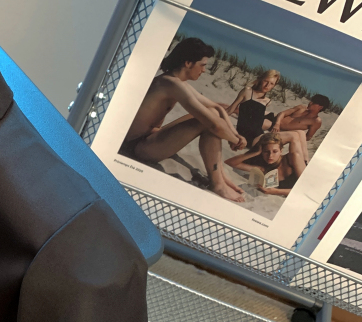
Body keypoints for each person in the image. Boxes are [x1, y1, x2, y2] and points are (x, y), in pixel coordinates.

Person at [120, 37, 247, 203]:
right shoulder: (171, 84)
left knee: (210, 113)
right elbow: (214, 125)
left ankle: (221, 177)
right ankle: (218, 184)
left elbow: (218, 108)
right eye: (202, 65)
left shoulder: (176, 81)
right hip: (136, 147)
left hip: (150, 136)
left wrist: (236, 135)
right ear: (188, 63)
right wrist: (235, 141)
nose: (204, 70)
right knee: (206, 122)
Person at [225, 132, 299, 197]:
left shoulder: (292, 158)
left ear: (281, 151)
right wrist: (255, 153)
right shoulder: (264, 168)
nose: (270, 156)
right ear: (262, 152)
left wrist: (275, 191)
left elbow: (302, 190)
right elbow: (230, 163)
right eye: (266, 151)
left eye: (275, 151)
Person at [270, 94, 330, 167]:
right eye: (311, 101)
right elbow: (282, 113)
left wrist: (293, 135)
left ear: (320, 107)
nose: (310, 103)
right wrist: (277, 124)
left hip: (282, 132)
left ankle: (304, 160)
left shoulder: (316, 121)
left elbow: (308, 137)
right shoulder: (301, 108)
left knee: (301, 133)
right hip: (273, 121)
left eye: (313, 103)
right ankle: (305, 160)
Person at [225, 69, 280, 147]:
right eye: (266, 81)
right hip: (242, 135)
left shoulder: (268, 101)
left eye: (271, 83)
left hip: (257, 136)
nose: (267, 85)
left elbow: (257, 122)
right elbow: (230, 110)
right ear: (261, 79)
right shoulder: (247, 91)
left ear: (274, 86)